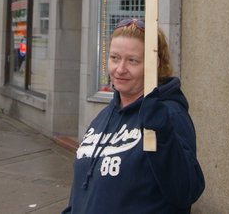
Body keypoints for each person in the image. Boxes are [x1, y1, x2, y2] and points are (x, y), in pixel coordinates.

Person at [62, 18, 204, 213]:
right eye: (114, 58)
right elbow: (83, 191)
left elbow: (187, 191)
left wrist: (162, 133)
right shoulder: (103, 117)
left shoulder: (170, 115)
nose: (120, 69)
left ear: (155, 64)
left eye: (132, 60)